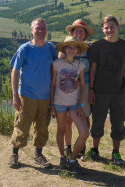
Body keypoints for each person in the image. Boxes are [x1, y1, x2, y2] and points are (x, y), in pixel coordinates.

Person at [83, 15, 125, 165]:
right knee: (97, 122)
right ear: (102, 29)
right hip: (99, 91)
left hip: (119, 92)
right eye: (106, 28)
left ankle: (116, 152)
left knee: (118, 122)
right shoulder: (97, 46)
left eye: (112, 27)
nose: (109, 30)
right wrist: (92, 90)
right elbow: (93, 69)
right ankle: (94, 150)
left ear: (118, 27)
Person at [8, 17, 57, 168]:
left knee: (42, 127)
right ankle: (14, 154)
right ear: (31, 30)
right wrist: (15, 96)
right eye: (38, 28)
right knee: (22, 125)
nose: (41, 31)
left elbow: (55, 70)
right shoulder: (24, 49)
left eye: (43, 28)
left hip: (45, 97)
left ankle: (38, 155)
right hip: (27, 96)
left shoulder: (51, 48)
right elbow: (15, 73)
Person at [51, 36, 90, 173]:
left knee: (85, 132)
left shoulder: (80, 65)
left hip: (74, 104)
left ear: (78, 50)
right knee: (61, 130)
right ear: (64, 48)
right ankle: (62, 157)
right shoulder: (56, 64)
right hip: (59, 102)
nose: (71, 50)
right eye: (69, 47)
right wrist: (51, 105)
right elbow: (53, 84)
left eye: (74, 47)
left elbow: (83, 86)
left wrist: (80, 104)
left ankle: (72, 159)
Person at [58, 19, 94, 157]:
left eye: (81, 31)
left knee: (84, 116)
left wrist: (91, 88)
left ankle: (81, 145)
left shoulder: (90, 50)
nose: (79, 33)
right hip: (68, 89)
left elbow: (93, 70)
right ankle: (68, 146)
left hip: (84, 89)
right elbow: (58, 68)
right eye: (76, 30)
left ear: (85, 35)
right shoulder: (65, 48)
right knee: (68, 118)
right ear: (72, 32)